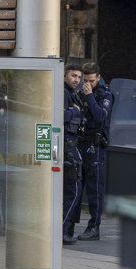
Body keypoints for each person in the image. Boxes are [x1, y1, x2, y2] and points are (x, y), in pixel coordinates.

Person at [71, 62, 114, 241]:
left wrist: (89, 96)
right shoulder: (82, 92)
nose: (88, 83)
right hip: (81, 141)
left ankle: (94, 227)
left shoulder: (105, 94)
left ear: (98, 77)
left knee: (94, 187)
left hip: (96, 145)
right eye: (85, 80)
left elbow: (100, 115)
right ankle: (69, 226)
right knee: (76, 184)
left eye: (91, 80)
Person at [62, 64, 85, 245]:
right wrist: (75, 111)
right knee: (73, 190)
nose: (76, 80)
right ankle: (61, 230)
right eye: (73, 76)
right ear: (64, 75)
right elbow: (59, 115)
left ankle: (63, 230)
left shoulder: (72, 93)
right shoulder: (63, 93)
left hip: (70, 144)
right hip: (66, 146)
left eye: (79, 77)